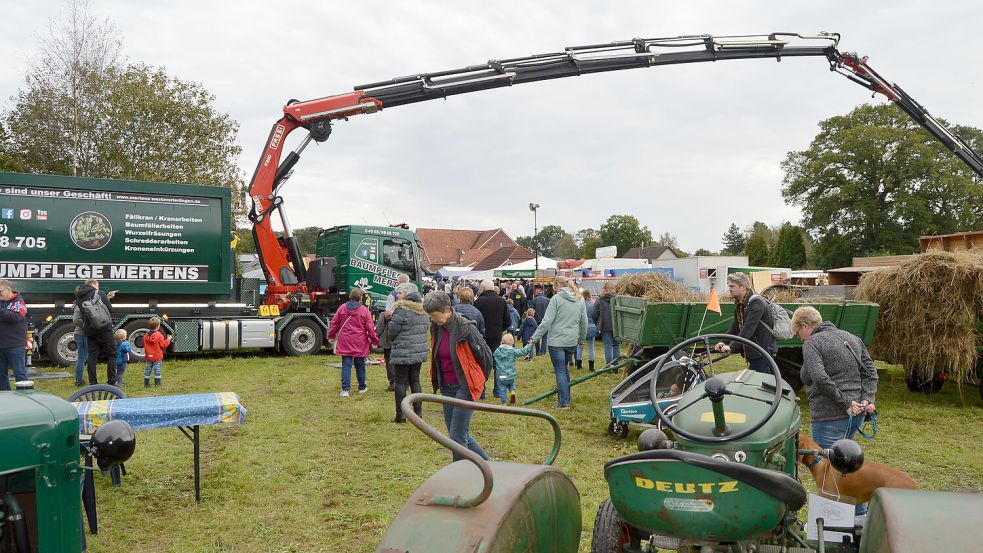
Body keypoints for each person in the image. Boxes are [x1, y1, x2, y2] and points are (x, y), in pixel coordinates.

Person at [793, 305, 878, 519]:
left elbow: (820, 378)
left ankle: (834, 523)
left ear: (805, 326)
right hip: (855, 414)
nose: (799, 338)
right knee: (846, 466)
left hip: (829, 414)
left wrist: (844, 402)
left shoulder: (812, 343)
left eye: (798, 333)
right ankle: (859, 516)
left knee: (829, 474)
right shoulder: (852, 337)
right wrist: (867, 399)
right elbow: (870, 372)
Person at [424, 291, 494, 461]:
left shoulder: (465, 327)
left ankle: (460, 477)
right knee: (458, 435)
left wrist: (478, 381)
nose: (432, 319)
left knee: (457, 437)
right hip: (447, 386)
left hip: (465, 386)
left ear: (447, 309)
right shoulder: (436, 327)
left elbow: (486, 356)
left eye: (434, 315)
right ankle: (489, 465)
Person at [529, 276, 587, 409]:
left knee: (560, 370)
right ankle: (565, 398)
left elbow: (546, 321)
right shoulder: (580, 299)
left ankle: (564, 402)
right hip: (571, 340)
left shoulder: (556, 299)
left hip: (556, 341)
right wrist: (581, 340)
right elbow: (584, 321)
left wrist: (534, 338)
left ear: (557, 286)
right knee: (564, 368)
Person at [712, 272, 777, 373]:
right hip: (754, 352)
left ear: (743, 287)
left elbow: (749, 328)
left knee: (764, 384)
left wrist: (731, 346)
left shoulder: (756, 303)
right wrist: (723, 341)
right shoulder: (741, 304)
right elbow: (735, 326)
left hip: (762, 351)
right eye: (729, 286)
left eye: (732, 286)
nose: (729, 289)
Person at [386, 282, 429, 423]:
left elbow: (392, 331)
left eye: (399, 293)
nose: (397, 295)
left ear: (407, 294)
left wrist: (393, 340)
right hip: (418, 350)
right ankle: (418, 413)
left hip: (403, 350)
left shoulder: (401, 309)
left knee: (400, 382)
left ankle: (401, 415)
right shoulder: (422, 310)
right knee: (415, 380)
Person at [328, 287, 379, 397]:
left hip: (345, 340)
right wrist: (374, 340)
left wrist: (331, 336)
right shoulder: (364, 310)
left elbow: (334, 323)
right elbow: (370, 328)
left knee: (346, 365)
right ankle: (362, 387)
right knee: (360, 365)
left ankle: (345, 390)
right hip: (360, 341)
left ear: (350, 296)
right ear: (361, 298)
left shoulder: (342, 308)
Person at [75, 279, 119, 386]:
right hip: (104, 327)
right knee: (112, 354)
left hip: (90, 329)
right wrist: (107, 298)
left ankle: (93, 382)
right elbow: (109, 309)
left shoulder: (79, 297)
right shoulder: (98, 293)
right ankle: (112, 381)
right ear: (94, 284)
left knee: (92, 356)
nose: (98, 287)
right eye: (98, 285)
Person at [381, 274, 412, 392]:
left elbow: (388, 313)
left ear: (396, 282)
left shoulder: (393, 295)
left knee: (390, 354)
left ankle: (394, 381)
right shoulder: (415, 294)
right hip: (410, 330)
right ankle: (408, 381)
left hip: (395, 328)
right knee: (407, 354)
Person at [0, 279, 28, 391]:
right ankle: (5, 399)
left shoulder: (18, 301)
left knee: (20, 374)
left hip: (15, 345)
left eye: (0, 291)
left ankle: (25, 397)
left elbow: (16, 317)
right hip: (1, 345)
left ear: (8, 289)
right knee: (1, 375)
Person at [493, 334, 532, 404]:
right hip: (510, 375)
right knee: (511, 385)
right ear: (512, 342)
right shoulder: (513, 351)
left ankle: (504, 402)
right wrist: (529, 345)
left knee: (502, 388)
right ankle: (512, 392)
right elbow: (523, 352)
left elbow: (493, 355)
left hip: (501, 375)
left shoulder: (497, 351)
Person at [473, 279, 510, 352]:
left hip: (482, 335)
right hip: (496, 334)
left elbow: (475, 319)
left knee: (484, 358)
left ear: (483, 288)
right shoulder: (502, 301)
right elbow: (507, 321)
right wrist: (499, 329)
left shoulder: (478, 301)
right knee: (495, 358)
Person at [593, 282, 620, 364]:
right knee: (616, 345)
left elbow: (594, 313)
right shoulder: (618, 299)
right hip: (618, 325)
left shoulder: (599, 299)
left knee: (607, 346)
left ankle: (609, 366)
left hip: (605, 325)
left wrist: (598, 322)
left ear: (604, 289)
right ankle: (616, 365)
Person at [143, 316, 171, 387]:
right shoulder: (159, 336)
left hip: (148, 356)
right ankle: (157, 384)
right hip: (157, 356)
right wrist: (168, 340)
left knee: (148, 370)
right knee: (157, 370)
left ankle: (146, 384)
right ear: (158, 326)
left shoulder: (145, 336)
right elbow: (163, 345)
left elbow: (144, 344)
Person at [575, 289, 598, 371]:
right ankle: (591, 366)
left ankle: (578, 364)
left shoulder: (580, 304)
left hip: (581, 327)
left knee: (580, 346)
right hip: (592, 326)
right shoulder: (593, 304)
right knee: (591, 346)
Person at [70, 287, 88, 387]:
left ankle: (79, 379)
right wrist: (87, 325)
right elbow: (76, 320)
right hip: (82, 334)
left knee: (82, 358)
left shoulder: (78, 304)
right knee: (82, 359)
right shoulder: (79, 306)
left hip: (80, 334)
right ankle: (79, 380)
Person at [531, 286, 550, 356]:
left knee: (537, 336)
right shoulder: (548, 300)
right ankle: (543, 351)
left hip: (536, 320)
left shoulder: (534, 300)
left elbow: (531, 311)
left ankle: (538, 352)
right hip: (546, 320)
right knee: (545, 337)